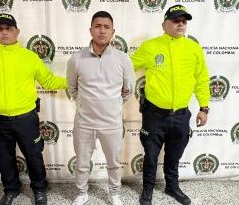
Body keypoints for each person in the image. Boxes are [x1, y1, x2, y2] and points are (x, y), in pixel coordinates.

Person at [0, 13, 67, 205]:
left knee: (34, 155)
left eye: (8, 28)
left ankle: (39, 189)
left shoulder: (29, 57)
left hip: (26, 119)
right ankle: (11, 190)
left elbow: (49, 80)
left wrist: (75, 81)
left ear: (16, 31)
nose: (4, 32)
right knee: (4, 157)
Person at [131, 5, 210, 205]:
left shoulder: (193, 48)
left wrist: (204, 107)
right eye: (176, 20)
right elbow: (126, 66)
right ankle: (147, 188)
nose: (181, 24)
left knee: (174, 154)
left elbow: (201, 79)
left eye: (184, 20)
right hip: (154, 113)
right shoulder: (150, 47)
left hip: (181, 114)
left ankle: (172, 186)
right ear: (164, 24)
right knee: (151, 155)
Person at [66, 11, 135, 205]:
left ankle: (114, 193)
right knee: (81, 163)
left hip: (111, 123)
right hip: (84, 123)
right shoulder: (76, 58)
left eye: (106, 27)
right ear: (91, 30)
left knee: (113, 163)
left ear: (113, 31)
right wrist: (87, 103)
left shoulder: (123, 59)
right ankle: (81, 193)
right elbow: (72, 88)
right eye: (98, 26)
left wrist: (111, 105)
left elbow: (129, 91)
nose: (102, 31)